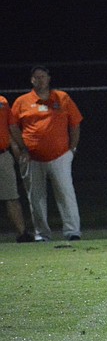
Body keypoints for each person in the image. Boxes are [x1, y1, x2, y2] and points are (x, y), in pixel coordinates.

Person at [8, 65, 83, 241]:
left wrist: (72, 148)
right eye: (36, 77)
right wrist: (18, 150)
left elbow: (75, 124)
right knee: (36, 197)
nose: (39, 80)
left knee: (65, 193)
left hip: (60, 155)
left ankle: (73, 231)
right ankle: (42, 234)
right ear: (31, 80)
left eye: (42, 76)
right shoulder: (22, 102)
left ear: (49, 78)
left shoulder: (62, 98)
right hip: (31, 157)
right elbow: (12, 128)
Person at [1, 94, 34, 242]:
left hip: (2, 155)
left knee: (12, 196)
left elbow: (12, 126)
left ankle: (22, 234)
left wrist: (22, 148)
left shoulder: (2, 102)